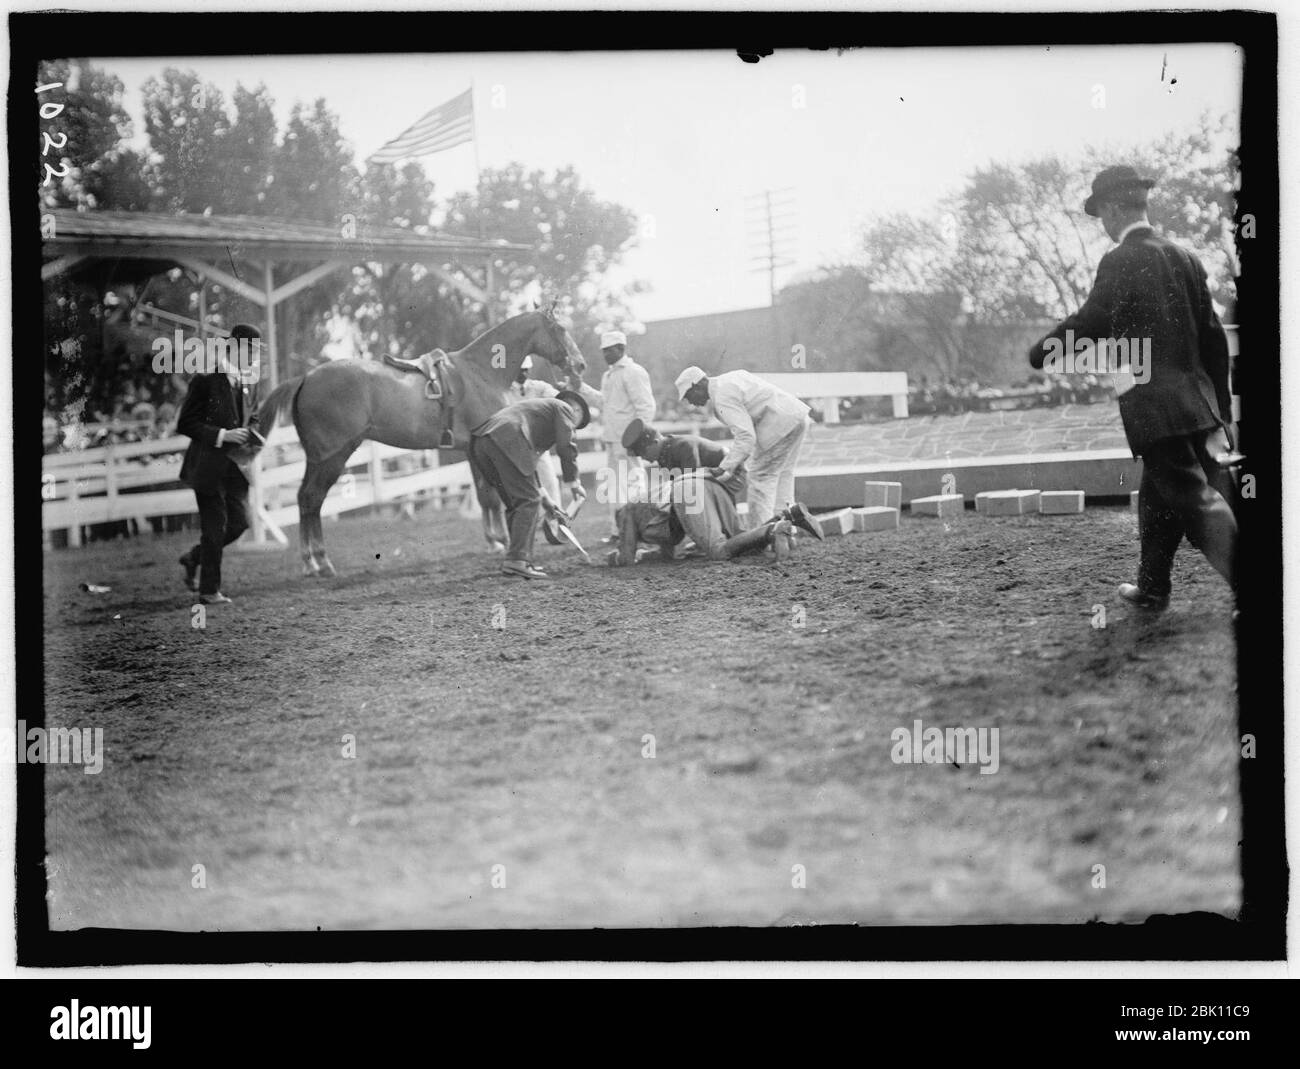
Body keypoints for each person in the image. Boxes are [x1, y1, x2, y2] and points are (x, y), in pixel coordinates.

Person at [1029, 165, 1236, 610]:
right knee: (1159, 497)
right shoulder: (1185, 257)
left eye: (1101, 213)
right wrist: (1222, 413)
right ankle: (1153, 586)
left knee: (1196, 502)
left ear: (1112, 208)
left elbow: (1092, 322)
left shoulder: (1120, 260)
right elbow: (1215, 340)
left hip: (1154, 407)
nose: (1102, 224)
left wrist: (1042, 352)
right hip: (1197, 405)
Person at [176, 323, 263, 604]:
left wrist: (251, 432)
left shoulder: (248, 381)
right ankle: (209, 591)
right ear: (235, 347)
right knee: (215, 526)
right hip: (206, 465)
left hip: (234, 468)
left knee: (239, 524)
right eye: (251, 350)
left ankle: (193, 558)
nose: (254, 357)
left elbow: (253, 416)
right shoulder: (205, 379)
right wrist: (223, 435)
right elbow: (185, 423)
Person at [468, 391, 590, 580]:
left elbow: (526, 465)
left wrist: (546, 499)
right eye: (577, 425)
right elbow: (566, 446)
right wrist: (574, 483)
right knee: (528, 501)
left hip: (482, 441)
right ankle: (518, 560)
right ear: (575, 409)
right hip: (507, 439)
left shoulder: (538, 413)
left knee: (515, 502)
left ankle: (516, 559)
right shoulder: (564, 409)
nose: (574, 429)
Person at [674, 366, 812, 530]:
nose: (690, 402)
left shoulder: (722, 396)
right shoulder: (729, 379)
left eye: (689, 395)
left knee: (760, 479)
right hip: (796, 417)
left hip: (780, 425)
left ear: (699, 384)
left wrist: (723, 467)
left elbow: (746, 437)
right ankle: (787, 530)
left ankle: (761, 536)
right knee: (783, 476)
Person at [609, 470, 823, 566]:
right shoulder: (644, 504)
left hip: (686, 491)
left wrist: (616, 557)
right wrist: (648, 556)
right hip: (705, 482)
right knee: (740, 539)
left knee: (719, 550)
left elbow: (626, 558)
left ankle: (774, 530)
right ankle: (788, 515)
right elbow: (668, 551)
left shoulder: (626, 512)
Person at [591, 330, 656, 542]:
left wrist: (637, 440)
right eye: (604, 351)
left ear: (621, 348)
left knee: (634, 484)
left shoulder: (633, 372)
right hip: (612, 438)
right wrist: (578, 387)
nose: (606, 355)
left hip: (629, 440)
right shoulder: (608, 375)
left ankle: (641, 530)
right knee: (615, 487)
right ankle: (619, 531)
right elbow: (604, 402)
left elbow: (646, 408)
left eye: (610, 350)